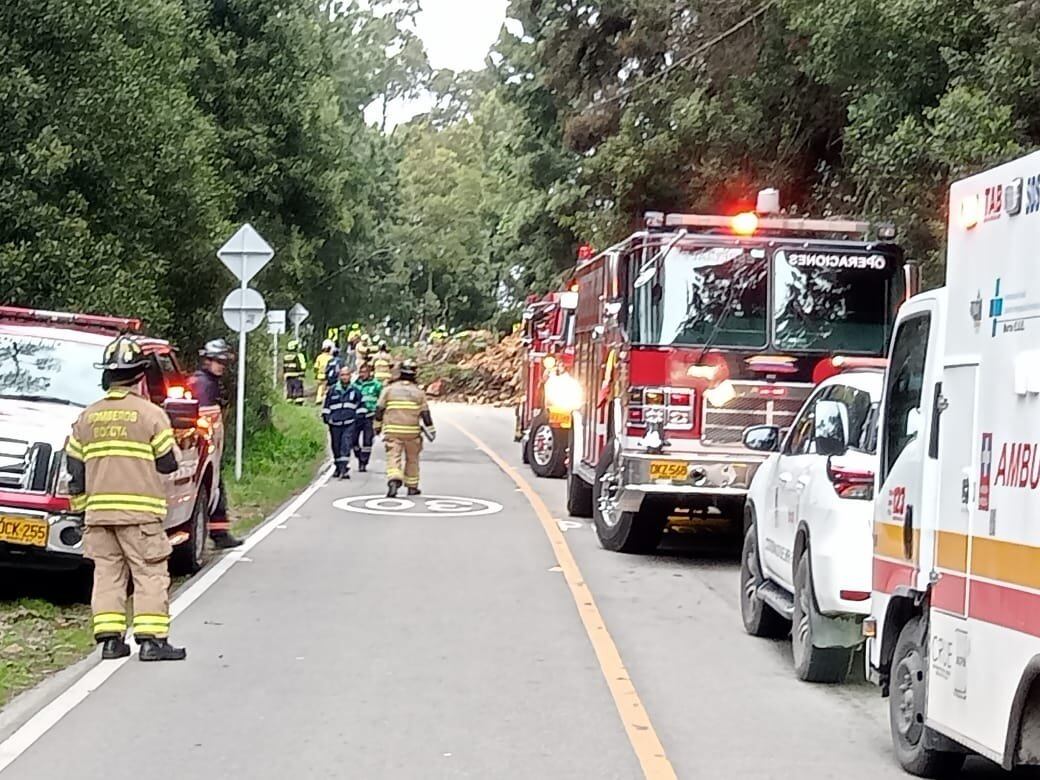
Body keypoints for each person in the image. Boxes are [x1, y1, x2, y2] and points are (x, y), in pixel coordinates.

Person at [66, 335, 186, 661]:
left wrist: (81, 511)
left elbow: (74, 471)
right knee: (149, 574)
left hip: (98, 516)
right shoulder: (151, 415)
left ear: (107, 376)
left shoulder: (86, 418)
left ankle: (110, 641)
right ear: (139, 374)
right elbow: (168, 462)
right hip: (140, 515)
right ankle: (151, 642)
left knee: (107, 574)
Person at [187, 339, 243, 549]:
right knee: (213, 488)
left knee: (216, 488)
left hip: (208, 446)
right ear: (207, 361)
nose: (221, 366)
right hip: (202, 447)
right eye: (217, 361)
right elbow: (206, 417)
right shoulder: (204, 384)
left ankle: (220, 533)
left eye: (223, 362)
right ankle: (219, 535)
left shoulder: (207, 381)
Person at [375, 359, 435, 497]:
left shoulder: (388, 390)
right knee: (412, 459)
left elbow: (379, 410)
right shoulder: (418, 392)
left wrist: (377, 427)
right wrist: (431, 430)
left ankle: (394, 479)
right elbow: (425, 414)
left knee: (393, 456)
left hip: (392, 431)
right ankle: (412, 486)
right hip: (412, 432)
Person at [322, 365, 365, 479]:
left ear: (350, 376)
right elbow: (326, 405)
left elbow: (361, 405)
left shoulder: (355, 390)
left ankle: (344, 468)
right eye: (342, 375)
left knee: (346, 445)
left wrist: (359, 417)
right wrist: (326, 416)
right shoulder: (333, 390)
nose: (345, 377)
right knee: (336, 446)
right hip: (335, 423)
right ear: (339, 376)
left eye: (347, 375)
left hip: (349, 422)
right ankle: (337, 466)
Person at [352, 362, 382, 472]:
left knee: (367, 441)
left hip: (370, 416)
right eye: (361, 372)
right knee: (353, 440)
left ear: (369, 373)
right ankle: (358, 454)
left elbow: (381, 400)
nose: (362, 374)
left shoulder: (376, 385)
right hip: (356, 416)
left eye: (365, 372)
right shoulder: (355, 385)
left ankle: (363, 462)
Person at [282, 339, 306, 404]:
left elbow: (284, 366)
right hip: (296, 374)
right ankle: (299, 400)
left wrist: (284, 373)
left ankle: (289, 399)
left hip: (288, 375)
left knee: (289, 387)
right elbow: (301, 365)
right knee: (298, 387)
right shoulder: (297, 356)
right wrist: (302, 371)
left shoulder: (286, 356)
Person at [314, 339, 335, 406]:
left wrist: (316, 373)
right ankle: (324, 399)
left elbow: (316, 367)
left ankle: (318, 399)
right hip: (326, 375)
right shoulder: (331, 358)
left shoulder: (319, 357)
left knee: (320, 388)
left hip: (319, 375)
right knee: (326, 388)